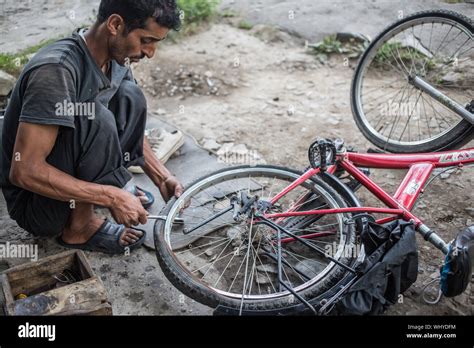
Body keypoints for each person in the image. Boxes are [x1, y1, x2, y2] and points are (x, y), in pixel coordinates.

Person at [0, 0, 184, 255]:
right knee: (94, 117)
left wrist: (161, 176)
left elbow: (126, 118)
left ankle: (111, 184)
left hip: (67, 166)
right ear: (115, 24)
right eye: (146, 41)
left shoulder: (116, 60)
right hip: (37, 207)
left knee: (130, 96)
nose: (150, 52)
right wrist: (111, 197)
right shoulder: (56, 71)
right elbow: (24, 171)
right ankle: (80, 227)